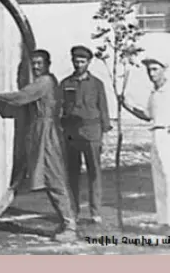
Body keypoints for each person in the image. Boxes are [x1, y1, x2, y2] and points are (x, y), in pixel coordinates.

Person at [0, 49, 78, 242]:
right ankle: (66, 222)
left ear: (47, 64)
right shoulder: (39, 83)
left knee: (54, 178)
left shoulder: (45, 82)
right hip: (38, 132)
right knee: (46, 178)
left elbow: (22, 97)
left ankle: (70, 226)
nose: (36, 66)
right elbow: (15, 107)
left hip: (48, 133)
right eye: (33, 63)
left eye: (39, 63)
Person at [118, 54, 170, 232]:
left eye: (155, 69)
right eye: (149, 70)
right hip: (156, 135)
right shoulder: (153, 94)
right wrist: (127, 105)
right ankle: (164, 222)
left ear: (164, 70)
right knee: (159, 180)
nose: (151, 73)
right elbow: (148, 116)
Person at [60, 45, 112, 225]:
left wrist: (105, 133)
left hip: (92, 133)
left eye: (82, 61)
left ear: (89, 62)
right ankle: (73, 211)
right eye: (76, 61)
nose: (79, 64)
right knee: (72, 174)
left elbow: (103, 109)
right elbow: (59, 107)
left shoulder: (97, 84)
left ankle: (95, 212)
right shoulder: (65, 83)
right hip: (72, 134)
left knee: (94, 174)